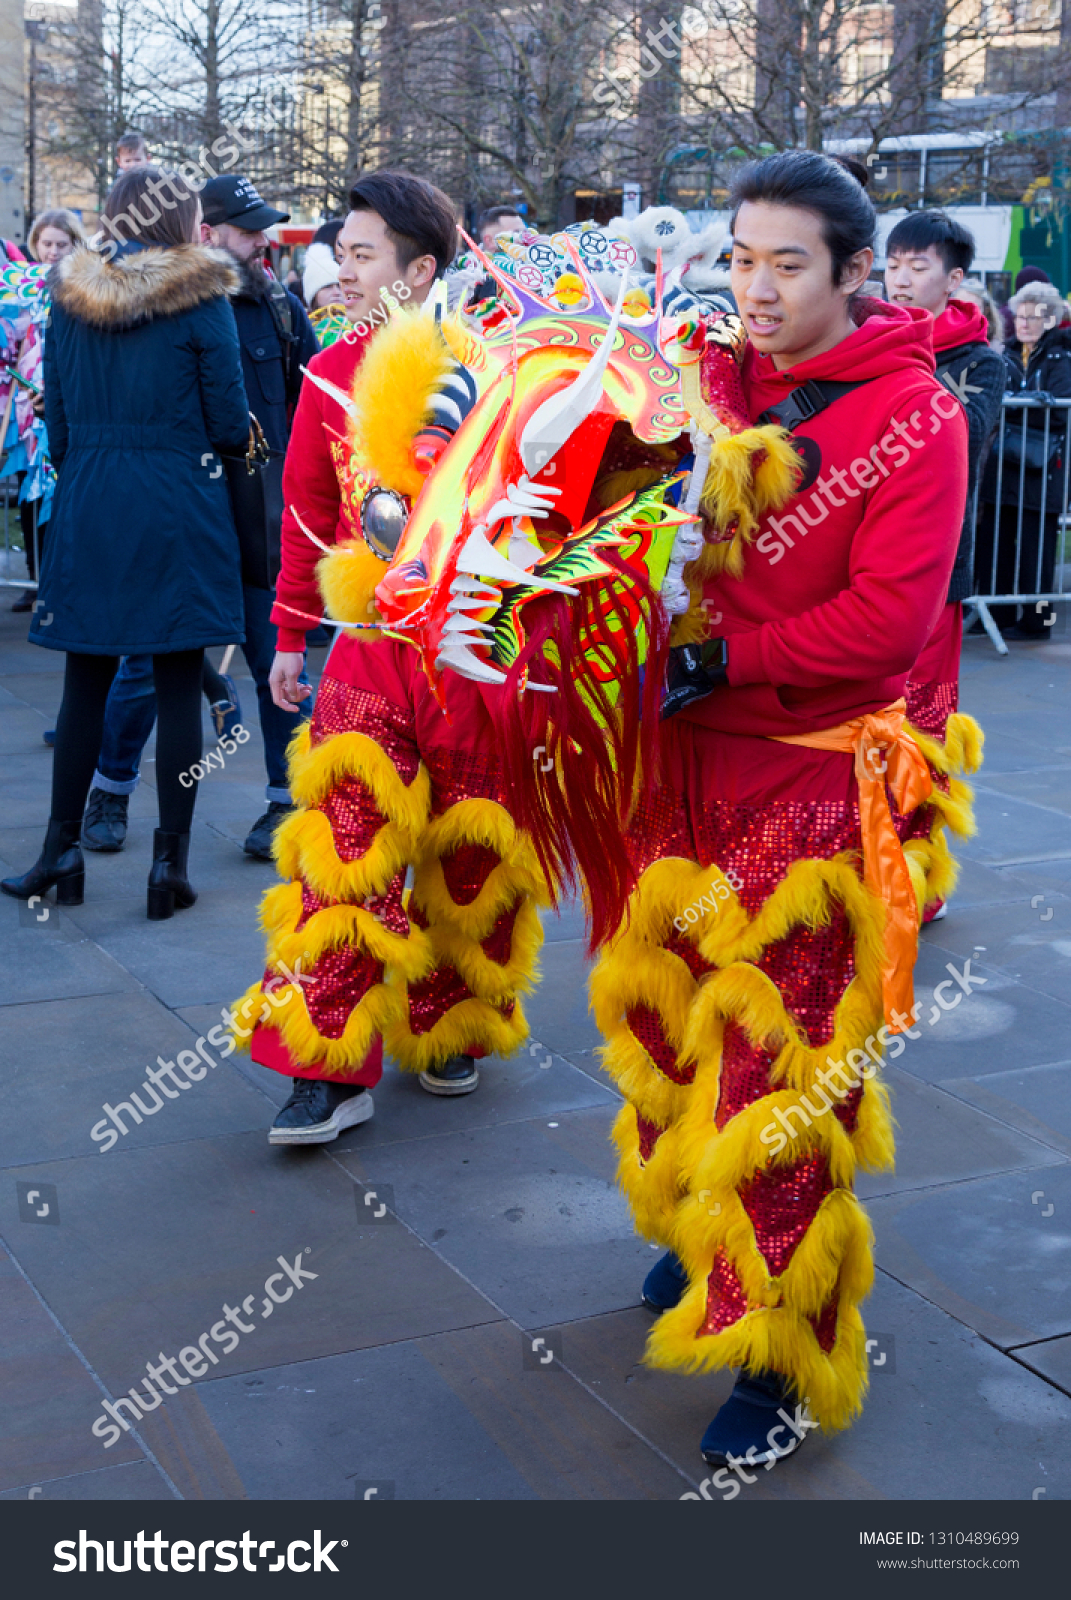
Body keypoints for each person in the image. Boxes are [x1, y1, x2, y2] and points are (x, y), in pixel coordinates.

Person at [597, 152, 969, 1467]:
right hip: (683, 769)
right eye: (736, 257)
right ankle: (709, 1237)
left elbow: (891, 618)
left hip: (809, 779)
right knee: (679, 1032)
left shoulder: (914, 414)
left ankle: (793, 1352)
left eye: (784, 263)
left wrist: (725, 658)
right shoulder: (687, 376)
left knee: (785, 1071)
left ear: (853, 271)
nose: (750, 287)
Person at [232, 169, 555, 1147]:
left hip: (480, 652)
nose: (343, 267)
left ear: (421, 269)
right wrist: (290, 635)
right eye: (344, 250)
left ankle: (449, 1021)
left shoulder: (508, 375)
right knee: (342, 850)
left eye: (363, 253)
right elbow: (307, 515)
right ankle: (326, 1066)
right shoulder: (330, 375)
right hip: (369, 654)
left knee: (471, 847)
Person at [0, 167, 250, 919]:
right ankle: (166, 868)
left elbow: (62, 420)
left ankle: (60, 852)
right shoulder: (202, 299)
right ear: (184, 221)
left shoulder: (69, 298)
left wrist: (95, 470)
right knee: (177, 682)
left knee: (86, 679)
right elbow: (231, 423)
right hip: (178, 500)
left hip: (92, 498)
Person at [78, 174, 321, 859]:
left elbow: (314, 408)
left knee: (278, 661)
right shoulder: (164, 309)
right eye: (250, 231)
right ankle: (111, 787)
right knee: (145, 662)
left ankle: (287, 802)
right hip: (183, 524)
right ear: (206, 234)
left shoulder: (280, 308)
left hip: (264, 525)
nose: (266, 242)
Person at [883, 212, 998, 915]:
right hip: (851, 567)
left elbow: (960, 441)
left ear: (953, 278)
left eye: (917, 265)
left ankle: (916, 879)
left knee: (919, 726)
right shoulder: (858, 339)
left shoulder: (977, 361)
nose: (899, 277)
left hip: (932, 577)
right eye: (893, 262)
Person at [977, 279, 1071, 638]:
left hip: (1041, 471)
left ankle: (1039, 624)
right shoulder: (1005, 355)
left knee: (1039, 553)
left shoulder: (1060, 357)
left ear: (1049, 320)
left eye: (1034, 316)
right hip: (1005, 468)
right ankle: (997, 617)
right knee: (996, 545)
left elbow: (1060, 412)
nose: (1024, 322)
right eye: (1020, 315)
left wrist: (1017, 406)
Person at [5, 210, 87, 616]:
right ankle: (36, 577)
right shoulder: (21, 289)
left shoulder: (84, 287)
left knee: (63, 489)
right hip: (27, 400)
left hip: (68, 400)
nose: (52, 252)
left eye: (61, 244)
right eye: (46, 244)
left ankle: (63, 578)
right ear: (35, 245)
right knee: (29, 489)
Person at [957, 277, 1004, 350]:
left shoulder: (995, 352)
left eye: (974, 308)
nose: (966, 314)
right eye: (960, 307)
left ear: (986, 311)